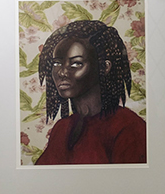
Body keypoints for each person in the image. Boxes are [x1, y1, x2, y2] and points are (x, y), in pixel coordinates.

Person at [35, 20, 146, 165]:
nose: (62, 72)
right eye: (57, 63)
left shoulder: (127, 127)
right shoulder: (62, 128)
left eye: (76, 63)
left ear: (105, 67)